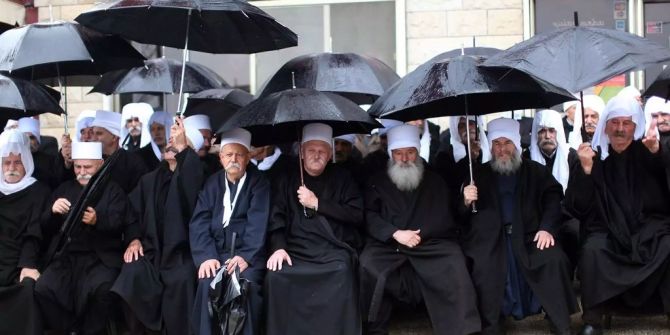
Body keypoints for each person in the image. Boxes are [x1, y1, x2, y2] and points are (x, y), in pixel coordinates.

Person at [460, 118, 578, 335]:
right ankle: (492, 323)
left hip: (530, 237)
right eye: (497, 143)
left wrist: (547, 228)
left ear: (516, 144)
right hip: (491, 240)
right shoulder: (476, 174)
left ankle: (558, 321)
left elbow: (554, 200)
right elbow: (458, 213)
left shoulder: (536, 172)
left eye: (507, 143)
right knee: (482, 267)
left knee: (554, 259)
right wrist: (466, 201)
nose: (502, 149)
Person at [360, 124, 480, 335]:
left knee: (454, 262)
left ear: (417, 151)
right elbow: (369, 215)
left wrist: (465, 201)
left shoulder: (435, 179)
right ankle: (373, 328)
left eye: (410, 152)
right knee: (368, 263)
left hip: (430, 244)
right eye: (399, 153)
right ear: (391, 154)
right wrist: (395, 234)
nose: (405, 159)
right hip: (391, 245)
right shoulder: (376, 181)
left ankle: (463, 330)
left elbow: (452, 212)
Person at [565, 95, 670, 335]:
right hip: (606, 229)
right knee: (592, 251)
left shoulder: (648, 150)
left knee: (667, 243)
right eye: (615, 122)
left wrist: (658, 154)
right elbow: (576, 208)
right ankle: (593, 319)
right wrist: (586, 171)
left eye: (627, 123)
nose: (620, 129)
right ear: (606, 125)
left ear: (636, 126)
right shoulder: (591, 155)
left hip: (648, 226)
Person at [265, 123, 363, 335]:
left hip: (331, 249)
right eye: (311, 150)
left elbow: (356, 214)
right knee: (276, 276)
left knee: (342, 271)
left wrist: (318, 204)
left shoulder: (343, 178)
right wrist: (278, 247)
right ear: (301, 152)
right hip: (294, 249)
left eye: (322, 151)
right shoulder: (286, 178)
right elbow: (276, 217)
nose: (316, 155)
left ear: (330, 155)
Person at [113, 118, 204, 334]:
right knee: (131, 274)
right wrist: (134, 238)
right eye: (171, 141)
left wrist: (183, 151)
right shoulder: (149, 180)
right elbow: (130, 214)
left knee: (183, 280)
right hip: (152, 251)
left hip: (183, 253)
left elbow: (189, 189)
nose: (171, 144)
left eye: (180, 143)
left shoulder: (197, 175)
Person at [35, 141, 133, 334]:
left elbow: (120, 221)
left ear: (100, 165)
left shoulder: (113, 190)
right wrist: (52, 211)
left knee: (103, 289)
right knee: (44, 288)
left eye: (87, 167)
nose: (81, 172)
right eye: (77, 167)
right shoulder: (63, 189)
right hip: (67, 258)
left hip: (100, 257)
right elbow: (45, 227)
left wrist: (98, 220)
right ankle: (69, 329)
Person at [189, 127, 270, 335]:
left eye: (239, 154)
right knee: (208, 283)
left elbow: (258, 222)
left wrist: (246, 257)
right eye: (228, 154)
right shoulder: (212, 183)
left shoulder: (259, 182)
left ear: (248, 157)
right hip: (217, 254)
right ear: (220, 158)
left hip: (247, 256)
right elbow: (199, 222)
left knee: (244, 287)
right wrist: (206, 256)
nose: (233, 159)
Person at [0, 129, 50, 335]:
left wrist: (27, 265)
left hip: (20, 261)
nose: (12, 168)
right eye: (6, 162)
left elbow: (34, 233)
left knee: (27, 290)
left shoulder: (39, 191)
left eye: (17, 162)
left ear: (27, 162)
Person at [90, 110, 149, 193]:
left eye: (99, 134)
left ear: (114, 137)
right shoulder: (90, 160)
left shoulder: (134, 162)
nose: (94, 138)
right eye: (93, 133)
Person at [435, 115, 490, 191]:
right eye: (462, 125)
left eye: (471, 122)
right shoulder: (445, 156)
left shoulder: (489, 149)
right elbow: (451, 184)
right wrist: (470, 157)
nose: (468, 128)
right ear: (455, 129)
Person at [17, 117, 59, 189]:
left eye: (31, 138)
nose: (28, 141)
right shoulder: (15, 159)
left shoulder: (48, 160)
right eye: (24, 137)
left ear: (38, 140)